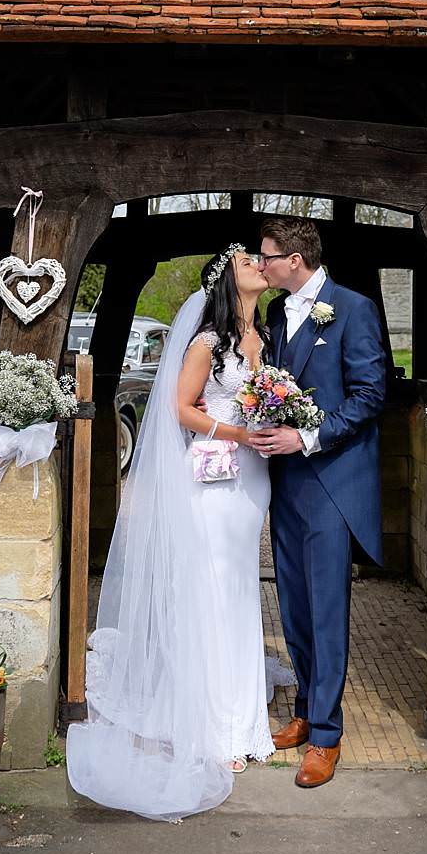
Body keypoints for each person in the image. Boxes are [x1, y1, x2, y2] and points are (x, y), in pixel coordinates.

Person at [68, 244, 284, 820]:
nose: (260, 268)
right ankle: (214, 727)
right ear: (226, 280)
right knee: (211, 594)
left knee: (240, 593)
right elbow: (178, 408)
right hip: (215, 474)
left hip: (253, 480)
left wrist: (276, 417)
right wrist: (236, 433)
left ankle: (242, 720)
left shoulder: (264, 338)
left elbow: (267, 400)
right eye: (248, 263)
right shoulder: (205, 343)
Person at [252, 217, 388, 789]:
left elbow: (370, 395)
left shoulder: (352, 309)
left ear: (297, 259)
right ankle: (307, 710)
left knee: (328, 608)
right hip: (286, 481)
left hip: (331, 479)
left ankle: (327, 736)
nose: (260, 266)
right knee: (295, 606)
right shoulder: (278, 316)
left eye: (267, 257)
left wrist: (305, 436)